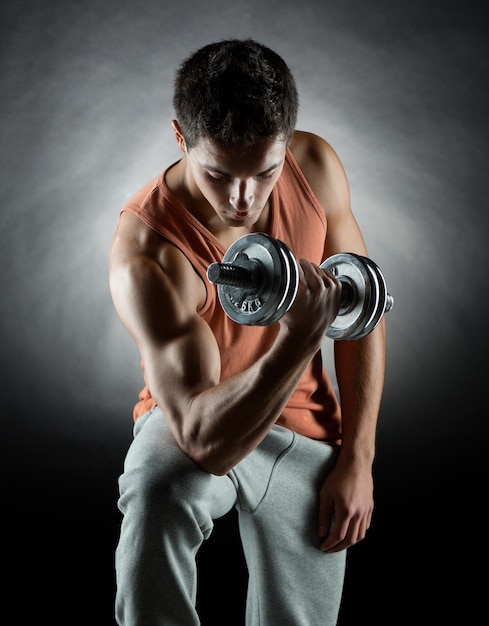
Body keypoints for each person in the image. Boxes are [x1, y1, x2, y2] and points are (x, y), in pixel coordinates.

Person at [109, 38, 386, 626]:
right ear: (181, 138)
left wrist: (357, 460)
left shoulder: (314, 167)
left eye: (265, 171)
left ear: (288, 141)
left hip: (303, 429)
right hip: (195, 415)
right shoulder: (148, 251)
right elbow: (206, 440)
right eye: (218, 173)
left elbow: (362, 310)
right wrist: (296, 339)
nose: (244, 199)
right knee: (157, 490)